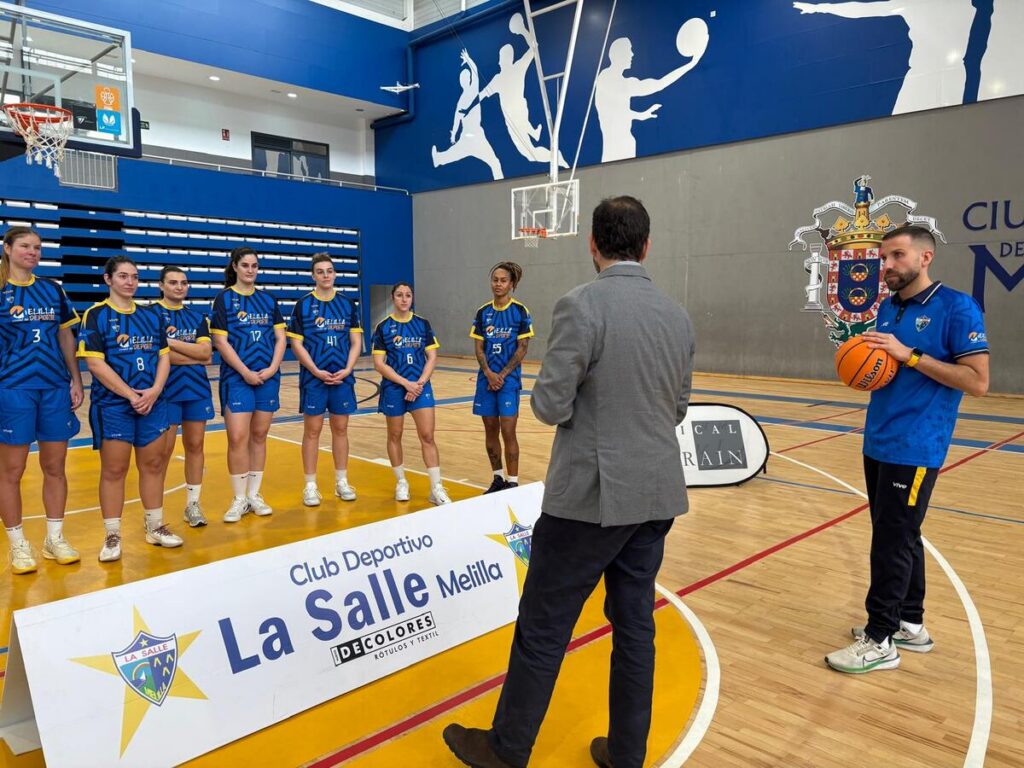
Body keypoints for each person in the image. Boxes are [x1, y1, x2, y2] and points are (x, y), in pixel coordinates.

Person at [442, 196, 695, 768]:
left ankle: (507, 749)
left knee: (544, 625)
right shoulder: (676, 314)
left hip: (589, 498)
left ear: (593, 244)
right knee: (635, 627)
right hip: (655, 494)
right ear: (646, 245)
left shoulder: (581, 305)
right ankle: (627, 753)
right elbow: (678, 407)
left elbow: (550, 406)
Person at [825, 225, 989, 674]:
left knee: (890, 542)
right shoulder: (888, 308)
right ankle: (909, 624)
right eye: (884, 258)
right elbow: (887, 369)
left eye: (897, 255)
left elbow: (978, 382)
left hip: (916, 445)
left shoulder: (957, 307)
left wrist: (910, 355)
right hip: (879, 438)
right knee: (901, 535)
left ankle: (880, 639)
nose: (888, 265)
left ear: (925, 257)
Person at [77, 256, 183, 562]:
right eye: (123, 276)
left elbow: (164, 356)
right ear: (108, 279)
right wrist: (130, 395)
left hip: (152, 402)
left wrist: (155, 390)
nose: (130, 282)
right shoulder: (96, 315)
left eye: (134, 276)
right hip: (114, 406)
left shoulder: (150, 315)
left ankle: (155, 526)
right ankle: (112, 535)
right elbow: (95, 363)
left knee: (153, 465)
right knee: (114, 470)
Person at [0, 227, 83, 574]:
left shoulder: (52, 289)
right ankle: (18, 544)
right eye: (25, 246)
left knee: (55, 466)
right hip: (13, 388)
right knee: (12, 470)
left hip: (53, 387)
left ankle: (54, 538)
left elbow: (65, 335)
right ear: (7, 248)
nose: (33, 252)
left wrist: (76, 378)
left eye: (37, 247)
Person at [211, 247, 287, 523]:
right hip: (237, 378)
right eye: (245, 265)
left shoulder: (268, 299)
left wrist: (273, 367)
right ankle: (239, 498)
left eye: (255, 266)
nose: (251, 270)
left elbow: (280, 338)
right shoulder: (224, 299)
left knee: (259, 435)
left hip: (267, 377)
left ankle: (254, 495)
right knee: (237, 437)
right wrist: (244, 371)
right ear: (235, 266)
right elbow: (220, 341)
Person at [287, 253, 363, 506]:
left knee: (340, 429)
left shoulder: (347, 304)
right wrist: (315, 370)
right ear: (313, 276)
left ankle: (342, 481)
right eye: (320, 271)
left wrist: (348, 368)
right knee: (312, 431)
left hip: (342, 378)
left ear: (335, 274)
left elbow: (356, 342)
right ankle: (310, 486)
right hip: (314, 379)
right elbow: (296, 344)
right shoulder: (303, 305)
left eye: (329, 271)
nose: (325, 275)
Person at [371, 282, 451, 506]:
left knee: (427, 436)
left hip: (420, 387)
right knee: (394, 435)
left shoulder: (422, 324)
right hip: (395, 388)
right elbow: (379, 363)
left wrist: (419, 384)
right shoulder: (383, 327)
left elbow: (432, 357)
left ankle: (436, 487)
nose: (404, 299)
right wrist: (406, 384)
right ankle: (401, 482)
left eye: (408, 295)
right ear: (393, 298)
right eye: (399, 295)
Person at [154, 266, 214, 528]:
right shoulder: (150, 315)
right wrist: (192, 353)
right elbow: (157, 355)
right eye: (173, 282)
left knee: (196, 446)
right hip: (165, 392)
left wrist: (169, 343)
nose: (179, 287)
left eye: (183, 282)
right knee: (162, 452)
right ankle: (155, 513)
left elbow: (206, 355)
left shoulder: (197, 317)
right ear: (161, 285)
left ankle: (193, 504)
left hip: (196, 389)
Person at [470, 261, 533, 494]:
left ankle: (512, 481)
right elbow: (479, 348)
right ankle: (497, 479)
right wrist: (488, 373)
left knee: (508, 431)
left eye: (503, 280)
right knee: (490, 430)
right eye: (495, 280)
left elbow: (523, 347)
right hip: (486, 381)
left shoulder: (520, 311)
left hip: (509, 382)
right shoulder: (483, 312)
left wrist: (502, 375)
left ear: (512, 284)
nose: (498, 284)